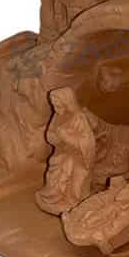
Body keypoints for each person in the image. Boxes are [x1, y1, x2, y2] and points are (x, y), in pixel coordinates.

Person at [35, 86, 96, 215]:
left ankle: (70, 201)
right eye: (55, 106)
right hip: (61, 153)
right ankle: (53, 197)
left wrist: (67, 137)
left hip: (76, 158)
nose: (57, 109)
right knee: (54, 174)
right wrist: (56, 138)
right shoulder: (57, 116)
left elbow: (88, 142)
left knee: (71, 180)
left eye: (59, 106)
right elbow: (50, 134)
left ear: (68, 103)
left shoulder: (79, 118)